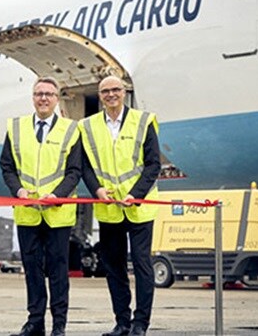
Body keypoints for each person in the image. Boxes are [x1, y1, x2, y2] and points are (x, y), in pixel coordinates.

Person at [0, 77, 82, 336]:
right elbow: (7, 166)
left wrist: (57, 194)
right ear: (33, 98)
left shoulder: (71, 130)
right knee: (32, 270)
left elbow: (75, 171)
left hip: (58, 213)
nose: (43, 98)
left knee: (58, 271)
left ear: (57, 99)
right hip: (27, 213)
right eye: (38, 94)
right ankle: (35, 322)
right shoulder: (16, 127)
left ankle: (59, 325)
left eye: (48, 94)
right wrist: (18, 190)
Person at [80, 76, 161, 336]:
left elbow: (153, 165)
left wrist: (136, 194)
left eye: (116, 89)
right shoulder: (88, 126)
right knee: (114, 268)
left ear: (124, 92)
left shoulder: (143, 121)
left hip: (139, 207)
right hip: (109, 207)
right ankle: (122, 322)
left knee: (142, 265)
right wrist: (97, 189)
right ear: (100, 95)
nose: (111, 94)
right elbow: (85, 166)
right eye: (105, 91)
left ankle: (141, 324)